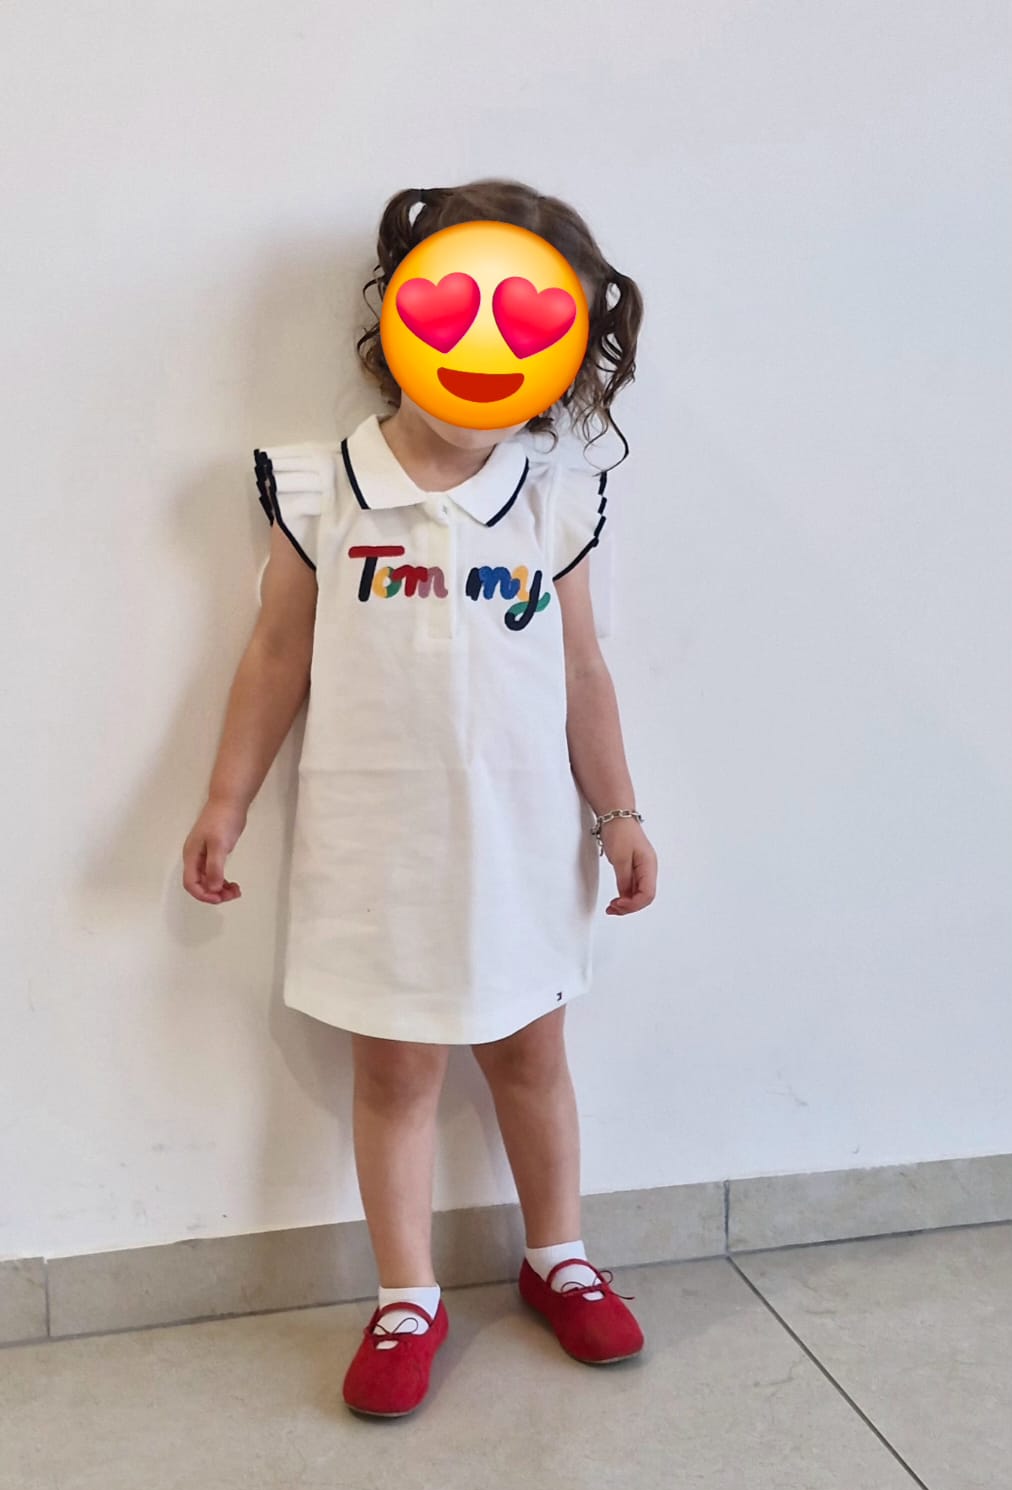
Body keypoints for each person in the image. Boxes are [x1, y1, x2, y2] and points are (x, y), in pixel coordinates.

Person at [182, 178, 658, 1419]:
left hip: (520, 840)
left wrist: (617, 814)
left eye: (529, 324)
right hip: (376, 841)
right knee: (394, 1071)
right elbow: (274, 656)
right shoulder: (322, 487)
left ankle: (557, 1256)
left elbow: (582, 669)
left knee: (530, 1056)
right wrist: (226, 799)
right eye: (455, 310)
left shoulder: (550, 495)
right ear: (399, 315)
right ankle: (406, 1296)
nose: (487, 347)